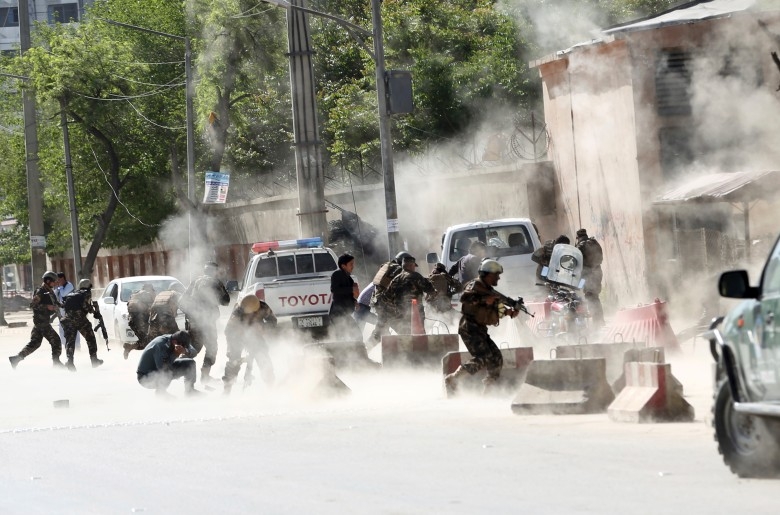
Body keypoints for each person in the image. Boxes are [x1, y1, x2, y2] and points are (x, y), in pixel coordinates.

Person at [444, 259, 520, 395]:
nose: (498, 278)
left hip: (480, 329)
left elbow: (492, 309)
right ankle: (453, 379)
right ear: (488, 274)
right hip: (469, 328)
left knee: (496, 358)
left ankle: (488, 390)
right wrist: (484, 299)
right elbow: (464, 298)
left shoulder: (489, 290)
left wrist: (509, 312)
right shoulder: (475, 285)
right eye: (496, 275)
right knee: (483, 356)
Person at [182, 261, 230, 385]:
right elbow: (226, 301)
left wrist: (191, 314)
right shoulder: (216, 282)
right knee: (212, 348)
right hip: (208, 322)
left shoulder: (195, 281)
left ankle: (178, 369)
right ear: (215, 272)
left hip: (194, 322)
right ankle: (205, 376)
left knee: (194, 347)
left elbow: (182, 301)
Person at [8, 271, 65, 369]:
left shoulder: (49, 291)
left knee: (35, 343)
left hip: (41, 322)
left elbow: (54, 302)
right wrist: (47, 307)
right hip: (42, 323)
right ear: (48, 281)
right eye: (54, 281)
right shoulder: (40, 292)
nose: (55, 283)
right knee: (56, 341)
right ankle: (56, 363)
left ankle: (16, 359)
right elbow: (33, 305)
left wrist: (62, 304)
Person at [222, 295, 277, 394]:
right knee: (234, 361)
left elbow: (273, 322)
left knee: (263, 357)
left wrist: (263, 327)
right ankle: (227, 389)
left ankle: (271, 386)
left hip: (256, 335)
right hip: (238, 336)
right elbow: (228, 330)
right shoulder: (238, 310)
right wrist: (232, 348)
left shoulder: (263, 307)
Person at [381, 255, 437, 335]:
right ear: (410, 265)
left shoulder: (396, 279)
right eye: (414, 266)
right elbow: (430, 290)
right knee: (419, 335)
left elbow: (386, 297)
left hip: (400, 313)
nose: (414, 268)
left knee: (405, 336)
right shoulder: (416, 276)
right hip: (416, 313)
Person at [136, 330, 202, 397]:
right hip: (146, 377)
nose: (183, 348)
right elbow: (163, 368)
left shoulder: (178, 339)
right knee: (167, 372)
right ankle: (161, 393)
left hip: (160, 368)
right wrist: (175, 354)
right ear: (174, 342)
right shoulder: (160, 345)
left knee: (190, 363)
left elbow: (194, 352)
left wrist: (185, 351)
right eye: (183, 346)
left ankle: (190, 391)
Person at [60, 279, 104, 371]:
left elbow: (64, 306)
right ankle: (94, 360)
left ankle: (70, 362)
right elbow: (86, 307)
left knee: (70, 342)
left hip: (68, 320)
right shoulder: (86, 293)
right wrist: (94, 311)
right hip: (80, 320)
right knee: (90, 338)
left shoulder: (72, 294)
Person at [370, 251, 410, 342]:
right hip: (386, 303)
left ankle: (372, 344)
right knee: (402, 328)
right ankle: (407, 343)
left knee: (381, 327)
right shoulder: (398, 269)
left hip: (378, 301)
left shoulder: (387, 266)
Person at [328, 253, 362, 342]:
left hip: (345, 314)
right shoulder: (337, 274)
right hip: (338, 314)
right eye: (351, 264)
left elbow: (349, 294)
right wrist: (351, 289)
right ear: (343, 266)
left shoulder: (349, 278)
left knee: (356, 335)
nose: (353, 266)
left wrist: (354, 301)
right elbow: (334, 289)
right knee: (343, 337)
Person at [575, 228, 605, 328]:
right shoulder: (594, 242)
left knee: (589, 296)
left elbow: (576, 262)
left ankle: (597, 322)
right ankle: (599, 320)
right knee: (595, 296)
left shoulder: (580, 246)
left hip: (587, 274)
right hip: (598, 271)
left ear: (578, 237)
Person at [123, 283, 157, 359]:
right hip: (141, 322)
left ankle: (130, 347)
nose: (153, 292)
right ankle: (130, 347)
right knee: (149, 341)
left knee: (145, 341)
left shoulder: (134, 295)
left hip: (132, 322)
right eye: (152, 290)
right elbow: (152, 309)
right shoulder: (147, 295)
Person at [55, 272, 80, 351]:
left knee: (74, 328)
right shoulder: (59, 287)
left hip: (71, 310)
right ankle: (65, 345)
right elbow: (55, 295)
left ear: (62, 278)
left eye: (58, 279)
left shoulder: (69, 285)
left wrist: (60, 287)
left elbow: (63, 294)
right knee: (61, 328)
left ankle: (77, 346)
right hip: (62, 311)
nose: (57, 281)